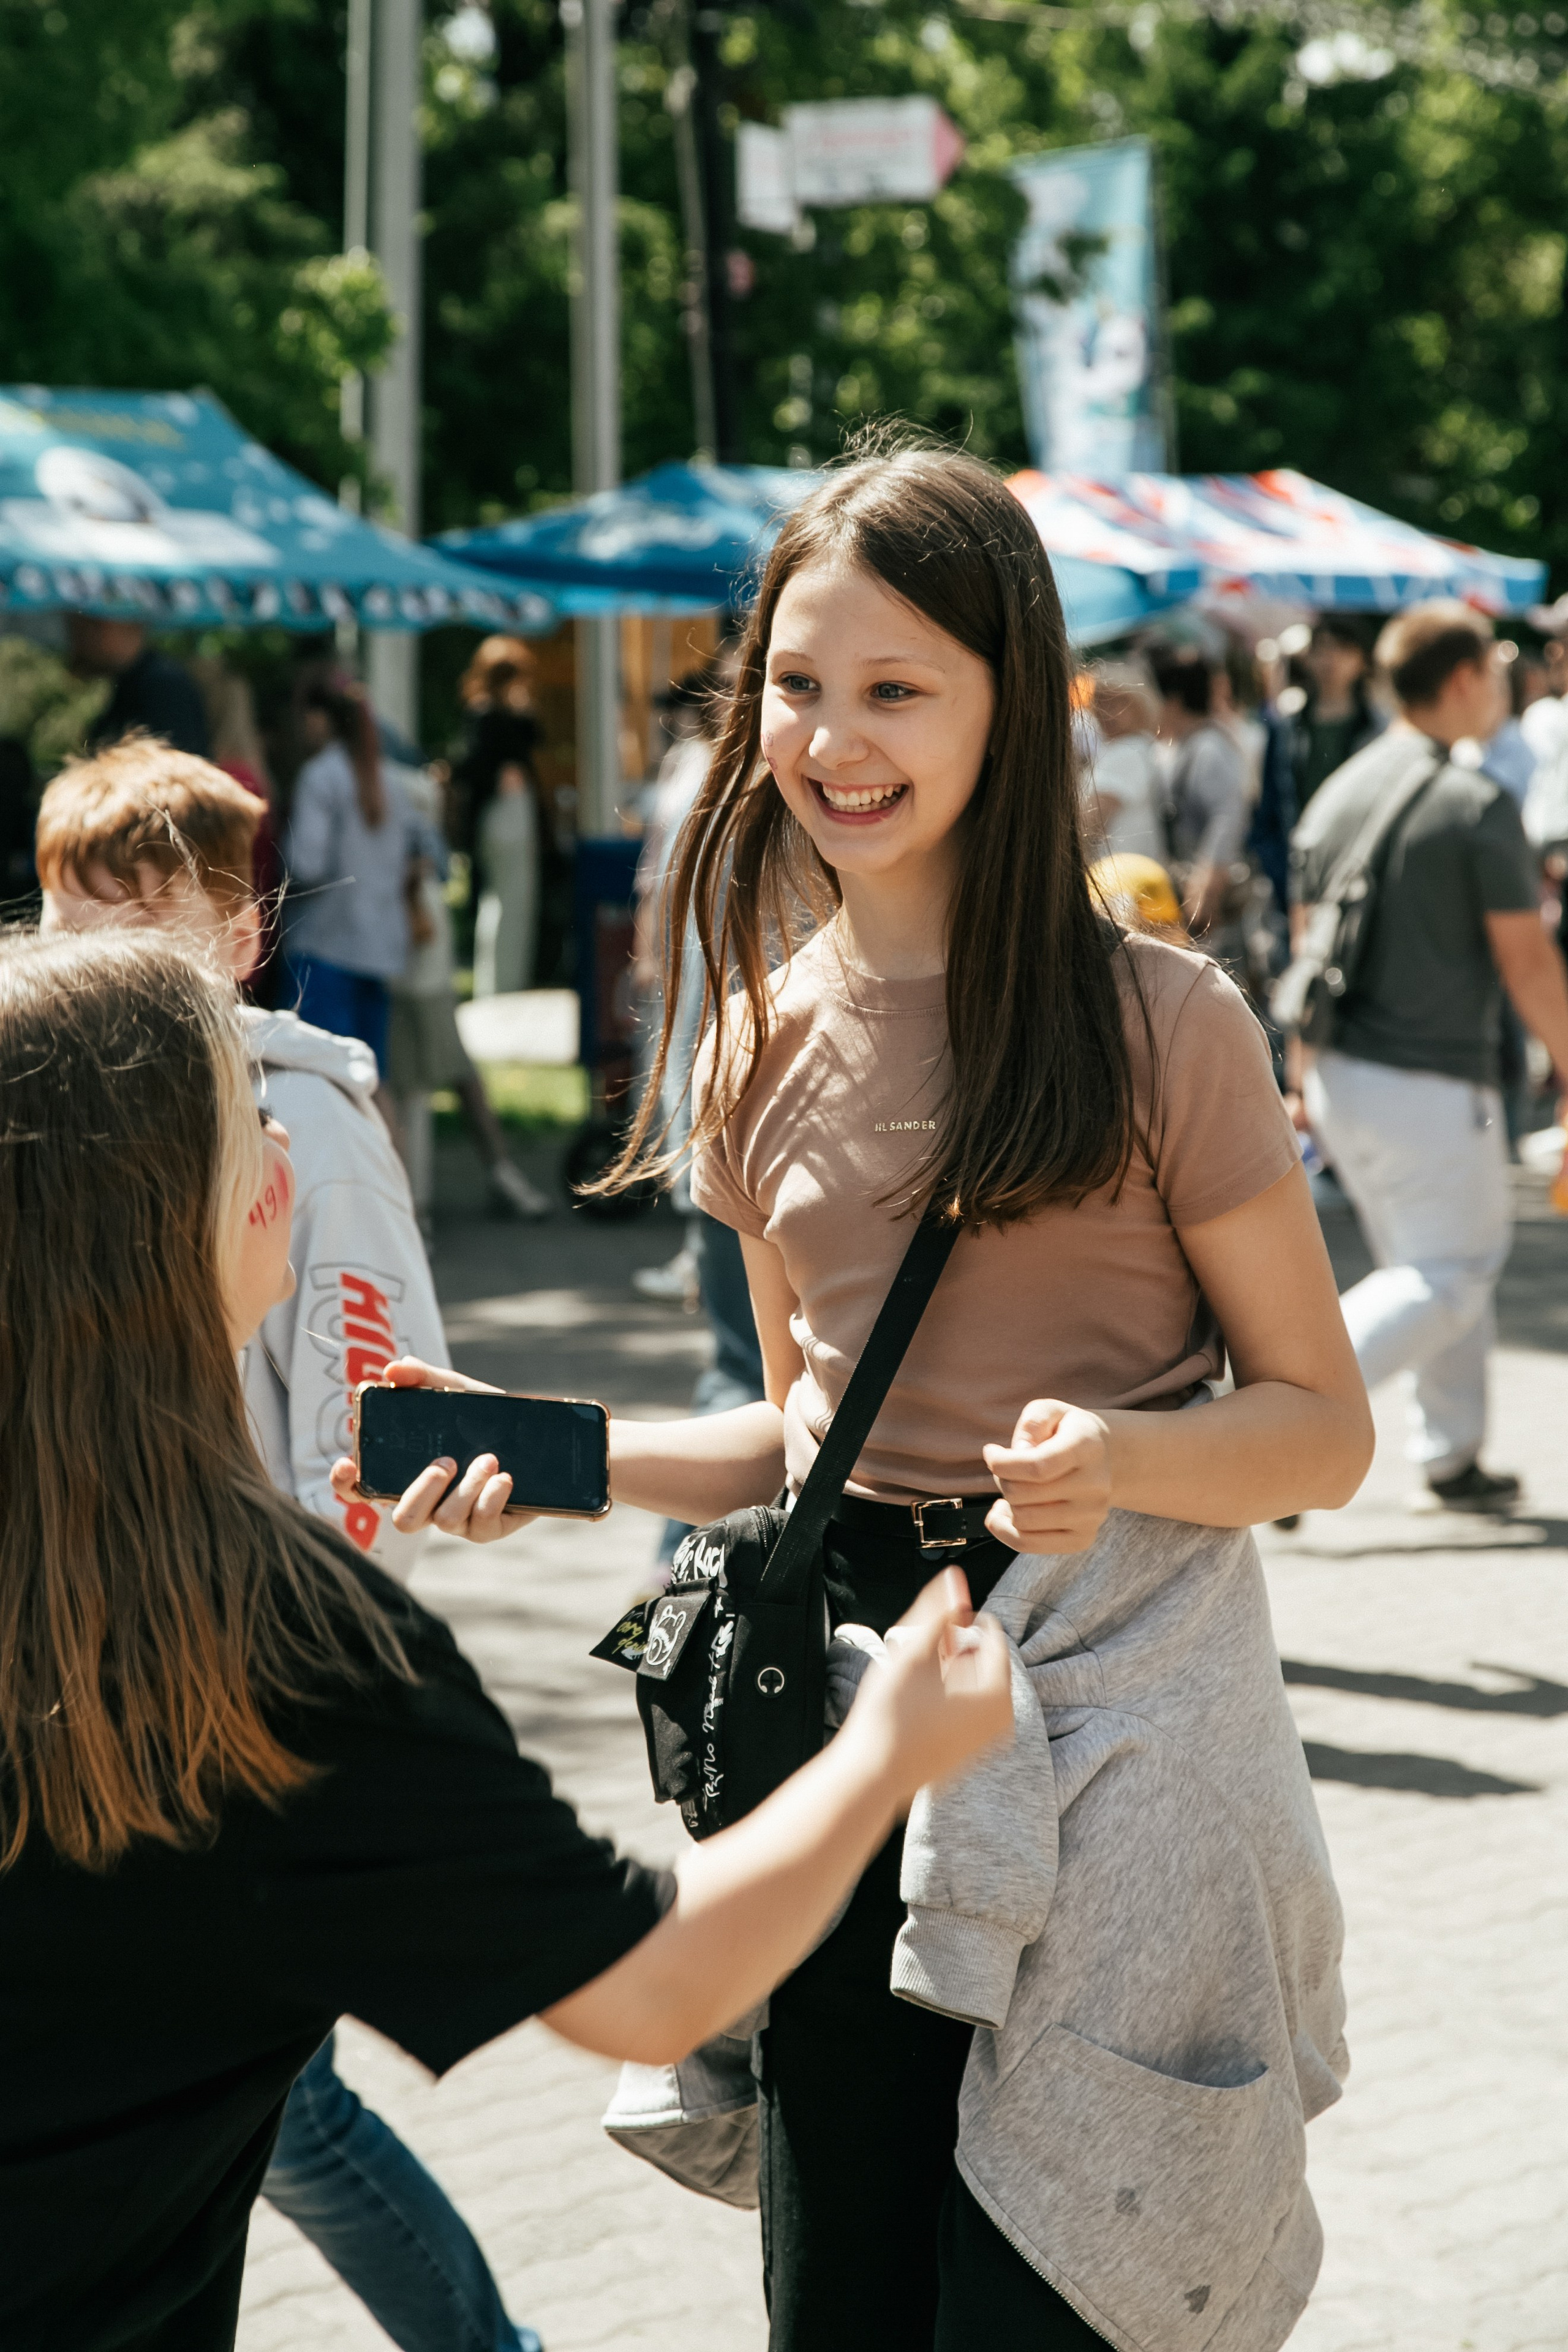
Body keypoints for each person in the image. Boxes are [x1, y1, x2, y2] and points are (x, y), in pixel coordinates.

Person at [386, 447, 1372, 2352]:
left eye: (894, 688)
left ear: (1014, 697)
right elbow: (793, 1429)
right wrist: (550, 1448)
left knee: (1063, 2287)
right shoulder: (752, 1032)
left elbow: (1322, 1426)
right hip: (848, 1732)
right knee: (843, 2295)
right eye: (795, 682)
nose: (832, 739)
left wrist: (1129, 1458)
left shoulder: (1165, 1022)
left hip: (1121, 1739)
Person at [0, 924, 1009, 2352]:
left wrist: (573, 1456)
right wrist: (890, 1746)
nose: (288, 1162)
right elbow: (656, 1983)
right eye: (251, 1127)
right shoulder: (271, 1646)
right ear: (164, 1218)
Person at [32, 741, 550, 2352]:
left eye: (142, 926)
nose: (97, 966)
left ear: (241, 932)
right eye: (69, 925)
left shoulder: (300, 1124)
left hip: (223, 1691)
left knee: (282, 2102)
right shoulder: (57, 1100)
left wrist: (293, 1683)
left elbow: (373, 1419)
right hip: (81, 1675)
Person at [1290, 600, 1568, 1509]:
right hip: (1428, 1076)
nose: (1503, 682)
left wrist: (1300, 1076)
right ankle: (1283, 1425)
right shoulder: (1473, 799)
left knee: (1441, 1260)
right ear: (1461, 678)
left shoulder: (1348, 787)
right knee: (1449, 1271)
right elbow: (1528, 962)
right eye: (1494, 666)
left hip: (1339, 1071)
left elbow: (1306, 939)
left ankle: (1451, 1453)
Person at [388, 753, 551, 1227]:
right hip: (419, 959)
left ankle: (417, 1204)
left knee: (419, 1080)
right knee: (444, 1075)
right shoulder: (410, 791)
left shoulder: (400, 795)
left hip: (416, 962)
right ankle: (492, 1176)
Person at [284, 679, 415, 1084]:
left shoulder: (320, 777)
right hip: (378, 948)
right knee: (370, 1084)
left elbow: (307, 864)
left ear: (320, 719)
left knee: (320, 1078)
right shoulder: (391, 781)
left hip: (325, 946)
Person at [1148, 643, 1251, 946]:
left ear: (1173, 700)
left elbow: (1228, 815)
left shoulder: (1209, 748)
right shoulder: (1184, 745)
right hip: (1189, 893)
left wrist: (1207, 886)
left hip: (1210, 904)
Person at [69, 612, 211, 756]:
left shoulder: (161, 685)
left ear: (111, 627)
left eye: (83, 630)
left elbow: (176, 768)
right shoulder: (134, 682)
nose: (76, 645)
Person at [1289, 617, 1383, 815]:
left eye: (1343, 649)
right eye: (1322, 648)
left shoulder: (1377, 727)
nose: (1331, 659)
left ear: (1363, 661)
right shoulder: (1288, 724)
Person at [1079, 660, 1163, 861]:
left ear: (1139, 705)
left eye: (1116, 701)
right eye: (1100, 700)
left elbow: (1090, 822)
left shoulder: (1127, 751)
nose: (1105, 710)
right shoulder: (1138, 746)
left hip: (1121, 880)